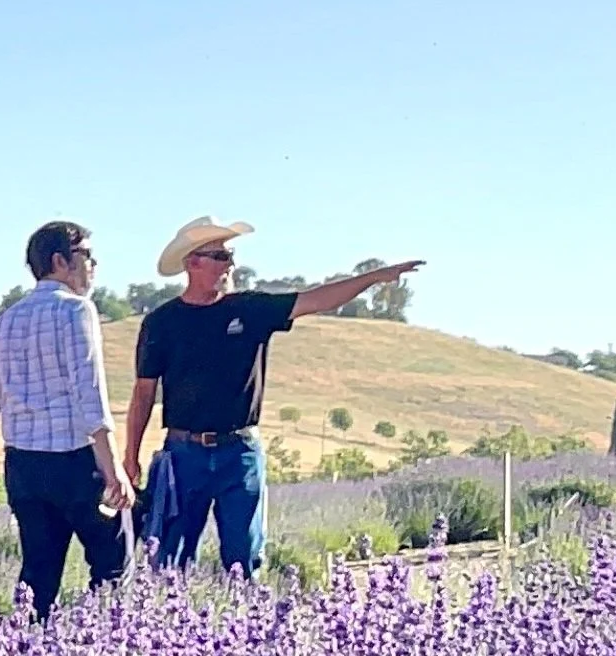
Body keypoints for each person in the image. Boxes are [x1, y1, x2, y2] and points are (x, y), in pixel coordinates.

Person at [124, 219, 422, 577]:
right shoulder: (161, 323)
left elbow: (316, 299)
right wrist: (130, 458)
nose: (229, 264)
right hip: (183, 454)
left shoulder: (250, 309)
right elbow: (143, 394)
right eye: (220, 256)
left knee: (244, 558)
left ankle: (244, 625)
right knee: (170, 560)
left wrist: (373, 278)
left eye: (230, 255)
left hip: (240, 452)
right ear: (193, 263)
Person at [0, 219, 133, 622]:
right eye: (86, 255)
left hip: (23, 463)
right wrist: (113, 469)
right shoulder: (76, 310)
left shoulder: (7, 318)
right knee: (112, 564)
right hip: (74, 459)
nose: (93, 265)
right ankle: (107, 650)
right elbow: (90, 395)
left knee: (38, 572)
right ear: (59, 262)